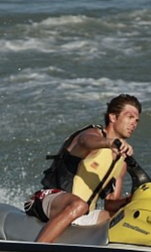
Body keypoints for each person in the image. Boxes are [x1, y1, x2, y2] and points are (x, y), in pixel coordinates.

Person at [24, 94, 141, 243]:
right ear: (112, 117)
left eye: (136, 120)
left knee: (114, 217)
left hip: (81, 214)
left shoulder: (121, 162)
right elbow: (85, 141)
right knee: (79, 205)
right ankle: (37, 251)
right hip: (47, 199)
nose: (134, 123)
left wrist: (133, 200)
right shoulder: (93, 135)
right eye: (129, 117)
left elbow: (111, 203)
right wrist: (110, 142)